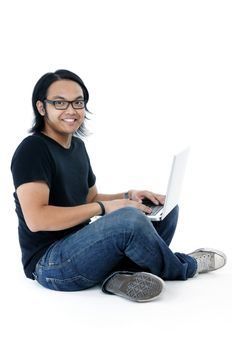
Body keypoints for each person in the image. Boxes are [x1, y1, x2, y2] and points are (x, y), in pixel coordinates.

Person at [11, 69, 226, 302]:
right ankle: (186, 265)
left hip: (83, 248)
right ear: (42, 108)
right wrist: (108, 209)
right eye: (60, 103)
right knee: (129, 220)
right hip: (51, 264)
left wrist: (129, 195)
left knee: (163, 208)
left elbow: (89, 199)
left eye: (78, 102)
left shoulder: (78, 147)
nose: (71, 110)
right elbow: (37, 219)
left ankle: (116, 276)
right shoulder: (33, 149)